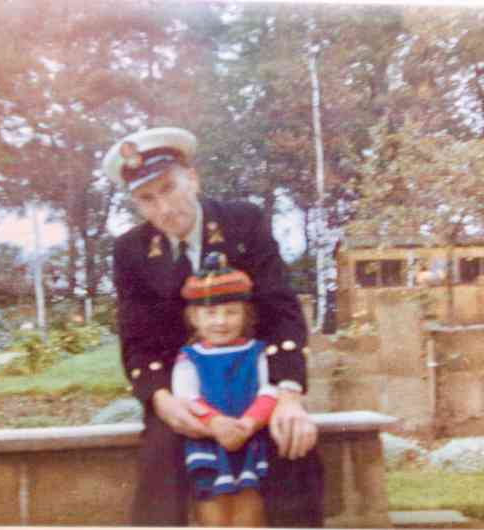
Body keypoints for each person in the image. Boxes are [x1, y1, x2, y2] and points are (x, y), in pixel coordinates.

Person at [104, 127, 323, 527]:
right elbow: (137, 340)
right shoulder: (131, 250)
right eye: (146, 199)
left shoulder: (242, 223)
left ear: (193, 178)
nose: (164, 208)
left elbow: (279, 309)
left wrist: (289, 395)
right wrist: (162, 402)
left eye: (169, 189)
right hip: (182, 392)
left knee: (293, 445)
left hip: (251, 383)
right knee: (161, 459)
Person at [173, 251, 277, 527]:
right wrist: (216, 423)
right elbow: (187, 397)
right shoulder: (189, 358)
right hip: (208, 442)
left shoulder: (256, 353)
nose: (221, 321)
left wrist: (247, 425)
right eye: (211, 313)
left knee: (249, 506)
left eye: (231, 312)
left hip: (248, 438)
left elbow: (269, 391)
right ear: (195, 317)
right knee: (212, 509)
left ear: (245, 315)